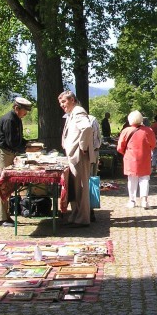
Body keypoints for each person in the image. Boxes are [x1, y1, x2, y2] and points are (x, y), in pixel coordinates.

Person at [0, 97, 33, 227]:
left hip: (8, 153)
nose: (26, 113)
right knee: (1, 183)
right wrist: (27, 149)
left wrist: (29, 143)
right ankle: (0, 218)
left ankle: (6, 215)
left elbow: (18, 139)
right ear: (17, 108)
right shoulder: (9, 119)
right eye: (24, 110)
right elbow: (11, 142)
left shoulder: (17, 119)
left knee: (7, 184)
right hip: (1, 152)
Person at [59, 91, 94, 228]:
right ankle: (75, 215)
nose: (62, 105)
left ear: (72, 100)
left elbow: (87, 128)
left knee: (80, 188)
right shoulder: (72, 113)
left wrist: (83, 146)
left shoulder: (78, 111)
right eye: (60, 103)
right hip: (73, 155)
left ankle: (82, 219)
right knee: (74, 188)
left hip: (78, 156)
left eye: (64, 102)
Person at [117, 111, 156, 209]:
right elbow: (153, 144)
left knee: (131, 180)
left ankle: (132, 200)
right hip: (144, 158)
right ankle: (144, 201)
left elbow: (120, 147)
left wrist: (126, 153)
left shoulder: (126, 131)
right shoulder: (148, 130)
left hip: (130, 158)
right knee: (144, 179)